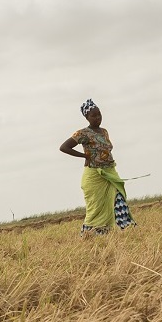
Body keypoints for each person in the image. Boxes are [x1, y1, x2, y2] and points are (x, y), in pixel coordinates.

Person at [59, 99, 137, 235]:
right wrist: (85, 156)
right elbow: (64, 147)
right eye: (93, 116)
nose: (97, 118)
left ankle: (125, 229)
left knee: (119, 198)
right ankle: (91, 235)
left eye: (99, 114)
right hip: (94, 176)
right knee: (96, 208)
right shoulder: (82, 133)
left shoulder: (104, 132)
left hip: (110, 173)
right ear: (86, 118)